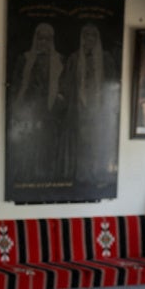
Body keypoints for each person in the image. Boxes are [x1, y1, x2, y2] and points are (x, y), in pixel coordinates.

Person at [58, 22, 119, 186]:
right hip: (79, 109)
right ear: (82, 38)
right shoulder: (74, 58)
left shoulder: (106, 59)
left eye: (93, 36)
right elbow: (64, 83)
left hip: (99, 110)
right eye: (86, 36)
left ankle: (97, 174)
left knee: (97, 144)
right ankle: (81, 176)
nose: (89, 39)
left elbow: (113, 85)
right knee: (80, 144)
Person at [9, 22, 64, 183]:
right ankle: (27, 176)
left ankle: (45, 176)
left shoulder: (59, 60)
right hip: (28, 110)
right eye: (40, 39)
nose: (43, 43)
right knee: (28, 146)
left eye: (47, 39)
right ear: (36, 39)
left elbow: (64, 85)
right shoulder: (24, 59)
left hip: (50, 112)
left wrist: (60, 97)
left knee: (47, 146)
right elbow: (16, 85)